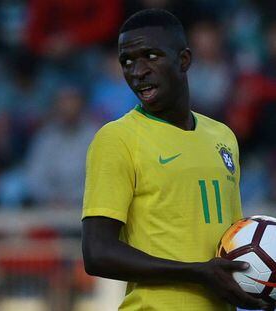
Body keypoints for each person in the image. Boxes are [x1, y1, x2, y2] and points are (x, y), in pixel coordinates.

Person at [81, 9, 274, 311]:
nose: (137, 71)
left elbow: (234, 242)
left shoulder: (222, 136)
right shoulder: (117, 138)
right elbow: (97, 252)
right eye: (127, 61)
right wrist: (197, 273)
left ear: (184, 60)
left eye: (151, 56)